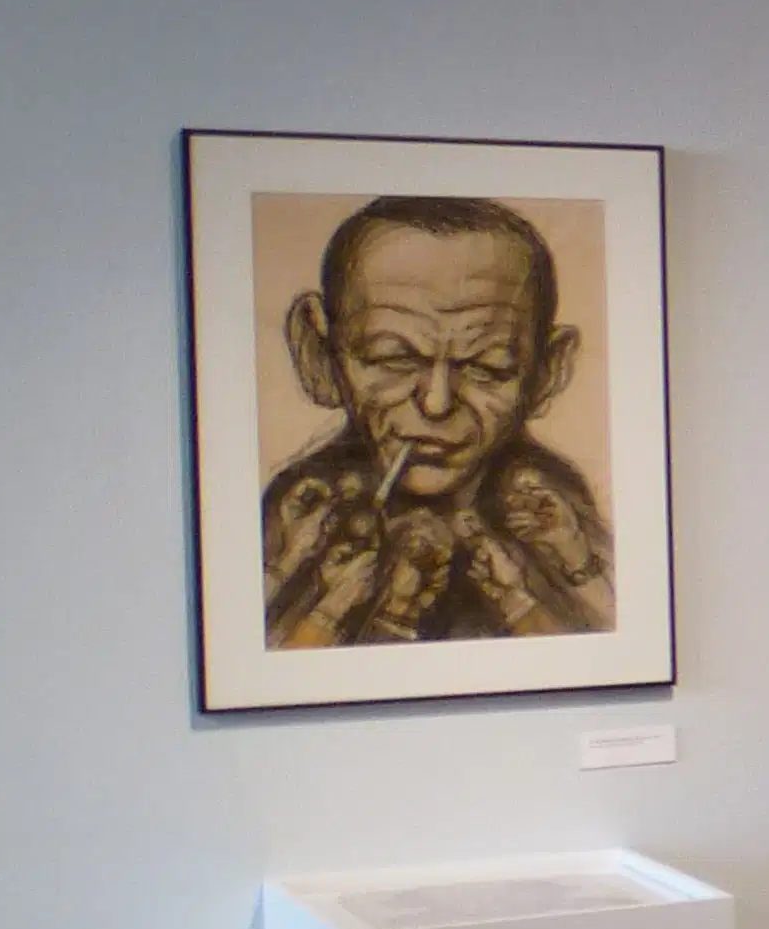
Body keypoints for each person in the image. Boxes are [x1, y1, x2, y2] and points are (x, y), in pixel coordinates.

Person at [261, 195, 615, 650]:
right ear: (318, 355)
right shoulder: (298, 523)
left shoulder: (557, 522)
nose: (436, 403)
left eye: (487, 367)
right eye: (392, 358)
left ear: (547, 372)